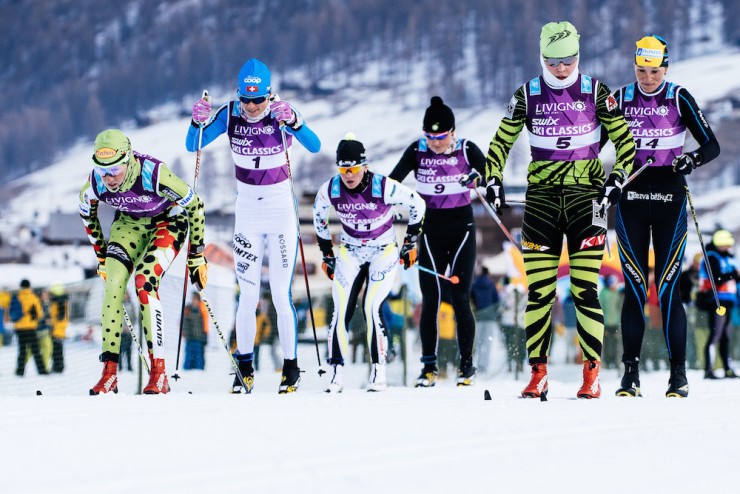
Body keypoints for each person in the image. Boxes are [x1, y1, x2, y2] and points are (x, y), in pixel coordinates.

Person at [486, 21, 636, 398]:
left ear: (578, 56)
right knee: (539, 292)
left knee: (585, 289)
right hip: (541, 200)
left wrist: (616, 179)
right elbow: (501, 141)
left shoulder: (596, 91)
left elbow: (626, 143)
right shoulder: (528, 93)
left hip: (588, 200)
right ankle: (538, 373)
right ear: (542, 58)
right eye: (553, 62)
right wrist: (492, 178)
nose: (561, 69)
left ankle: (592, 373)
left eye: (568, 60)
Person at [187, 58, 321, 394]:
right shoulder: (230, 113)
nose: (250, 106)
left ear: (268, 94)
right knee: (247, 295)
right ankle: (243, 366)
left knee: (279, 294)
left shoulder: (280, 111)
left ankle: (291, 369)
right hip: (247, 212)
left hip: (279, 212)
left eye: (257, 99)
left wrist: (295, 121)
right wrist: (196, 121)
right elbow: (193, 145)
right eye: (245, 99)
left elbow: (315, 145)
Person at [612, 35, 720, 398]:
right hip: (631, 197)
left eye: (654, 71)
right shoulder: (622, 97)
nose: (647, 78)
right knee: (635, 289)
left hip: (669, 197)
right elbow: (593, 141)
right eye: (641, 71)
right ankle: (630, 375)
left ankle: (678, 375)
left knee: (670, 289)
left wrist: (692, 159)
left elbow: (711, 144)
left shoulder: (677, 96)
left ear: (666, 68)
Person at [80, 129, 207, 395]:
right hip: (128, 226)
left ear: (127, 160)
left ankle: (159, 372)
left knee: (144, 283)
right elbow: (87, 215)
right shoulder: (96, 183)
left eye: (114, 169)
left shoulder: (155, 174)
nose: (108, 177)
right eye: (101, 170)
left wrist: (196, 256)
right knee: (112, 287)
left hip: (168, 223)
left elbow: (195, 206)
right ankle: (109, 374)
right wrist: (102, 257)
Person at [313, 135, 426, 392]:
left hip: (382, 251)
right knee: (340, 310)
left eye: (353, 169)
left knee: (371, 307)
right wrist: (327, 254)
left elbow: (417, 203)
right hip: (350, 252)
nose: (348, 176)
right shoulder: (330, 189)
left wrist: (410, 242)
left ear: (364, 165)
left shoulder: (383, 186)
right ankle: (336, 373)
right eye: (343, 170)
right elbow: (318, 216)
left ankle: (379, 372)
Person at [389, 96, 488, 388]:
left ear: (452, 132)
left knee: (460, 299)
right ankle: (428, 368)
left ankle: (466, 367)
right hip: (430, 228)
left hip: (462, 229)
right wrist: (388, 200)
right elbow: (394, 180)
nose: (435, 143)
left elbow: (491, 174)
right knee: (430, 300)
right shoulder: (417, 150)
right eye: (429, 137)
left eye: (441, 137)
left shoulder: (467, 148)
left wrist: (478, 178)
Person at [698, 230, 739, 379]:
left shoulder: (728, 257)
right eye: (725, 244)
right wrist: (733, 275)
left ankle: (727, 368)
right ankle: (709, 369)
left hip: (728, 300)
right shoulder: (712, 258)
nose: (728, 247)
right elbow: (716, 279)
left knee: (725, 336)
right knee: (715, 334)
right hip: (716, 300)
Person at [13, 279, 48, 376]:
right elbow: (40, 314)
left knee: (22, 350)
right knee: (35, 350)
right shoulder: (33, 297)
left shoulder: (17, 296)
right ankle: (42, 370)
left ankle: (20, 371)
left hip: (19, 328)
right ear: (29, 286)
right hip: (30, 328)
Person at [471, 266, 499, 375]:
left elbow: (470, 298)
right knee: (486, 342)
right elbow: (496, 300)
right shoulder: (491, 284)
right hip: (489, 318)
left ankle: (475, 364)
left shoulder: (473, 284)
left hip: (477, 317)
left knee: (476, 342)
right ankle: (484, 366)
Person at [599, 275, 623, 370]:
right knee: (607, 343)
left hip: (616, 322)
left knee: (616, 343)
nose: (615, 285)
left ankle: (616, 361)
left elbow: (619, 306)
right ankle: (608, 361)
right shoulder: (603, 293)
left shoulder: (618, 293)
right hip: (606, 323)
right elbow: (601, 307)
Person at [182, 292, 208, 370]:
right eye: (193, 299)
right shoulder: (188, 309)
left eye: (196, 299)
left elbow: (205, 325)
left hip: (199, 340)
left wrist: (204, 338)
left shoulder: (202, 310)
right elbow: (184, 323)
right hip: (189, 339)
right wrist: (186, 334)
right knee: (188, 358)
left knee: (199, 359)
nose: (194, 301)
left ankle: (200, 373)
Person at [48, 283, 69, 373]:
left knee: (57, 349)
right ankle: (58, 366)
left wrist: (51, 322)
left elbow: (59, 317)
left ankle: (58, 367)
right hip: (59, 329)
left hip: (57, 329)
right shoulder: (61, 301)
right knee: (57, 349)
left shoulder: (60, 302)